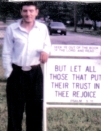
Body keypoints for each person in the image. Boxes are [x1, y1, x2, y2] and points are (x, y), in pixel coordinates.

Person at [2, 2, 51, 131]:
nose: (28, 14)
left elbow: (47, 45)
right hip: (16, 73)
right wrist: (9, 73)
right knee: (15, 112)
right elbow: (6, 51)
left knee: (35, 111)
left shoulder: (42, 29)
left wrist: (46, 51)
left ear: (36, 12)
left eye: (31, 11)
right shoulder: (12, 29)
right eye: (25, 11)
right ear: (21, 12)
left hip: (35, 73)